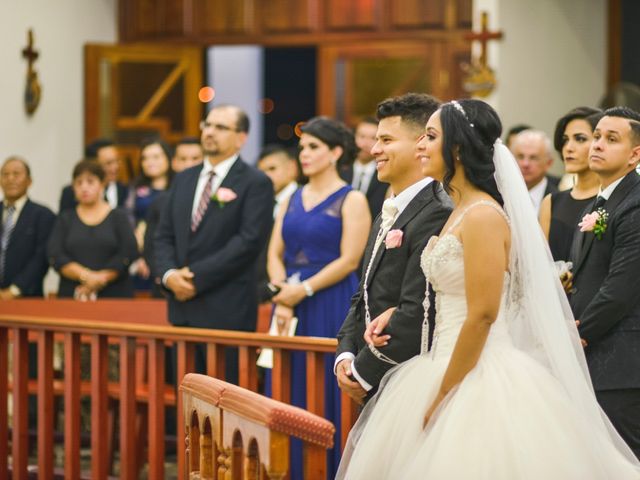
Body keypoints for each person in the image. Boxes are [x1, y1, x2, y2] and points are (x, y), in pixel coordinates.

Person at [337, 99, 640, 479]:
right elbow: (448, 290)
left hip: (475, 371)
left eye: (431, 137)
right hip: (438, 360)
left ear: (458, 149)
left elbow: (482, 315)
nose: (421, 146)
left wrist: (443, 394)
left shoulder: (482, 216)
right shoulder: (459, 211)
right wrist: (394, 313)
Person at [267, 116, 371, 478]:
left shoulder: (352, 198)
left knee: (324, 386)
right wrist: (282, 292)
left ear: (336, 152)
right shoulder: (292, 196)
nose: (304, 154)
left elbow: (350, 259)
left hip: (329, 299)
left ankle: (324, 469)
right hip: (287, 301)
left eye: (313, 147)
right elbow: (274, 251)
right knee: (283, 382)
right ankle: (285, 468)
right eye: (302, 148)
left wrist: (305, 289)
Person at [335, 93, 450, 405]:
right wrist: (345, 352)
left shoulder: (438, 210)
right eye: (375, 139)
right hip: (375, 373)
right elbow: (363, 293)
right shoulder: (390, 208)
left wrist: (363, 372)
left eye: (386, 140)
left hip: (407, 376)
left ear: (421, 144)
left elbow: (417, 309)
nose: (374, 150)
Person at [155, 104, 274, 380]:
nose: (210, 132)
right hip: (182, 307)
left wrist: (195, 278)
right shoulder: (184, 178)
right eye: (207, 125)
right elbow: (163, 235)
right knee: (187, 402)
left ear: (241, 137)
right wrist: (170, 275)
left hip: (227, 309)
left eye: (220, 127)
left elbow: (248, 241)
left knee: (224, 401)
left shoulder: (255, 182)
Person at [570, 106, 640, 460]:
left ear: (635, 154)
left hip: (622, 363)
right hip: (598, 359)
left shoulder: (636, 203)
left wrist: (577, 333)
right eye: (596, 136)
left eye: (611, 139)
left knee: (626, 461)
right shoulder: (599, 203)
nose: (596, 144)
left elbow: (622, 287)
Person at [48, 160, 138, 299]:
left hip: (115, 296)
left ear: (102, 184)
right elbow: (55, 254)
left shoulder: (118, 217)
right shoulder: (65, 218)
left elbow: (128, 252)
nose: (84, 187)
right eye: (79, 182)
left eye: (90, 182)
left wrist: (100, 278)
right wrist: (86, 276)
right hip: (72, 294)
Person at [539, 107, 602, 262]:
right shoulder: (551, 202)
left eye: (580, 139)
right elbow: (541, 262)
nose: (568, 148)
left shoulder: (613, 199)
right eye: (565, 140)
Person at [144, 137, 203, 295]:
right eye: (183, 159)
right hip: (166, 285)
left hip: (206, 283)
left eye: (195, 158)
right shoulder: (161, 201)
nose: (188, 164)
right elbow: (152, 243)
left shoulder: (213, 199)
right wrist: (164, 274)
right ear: (174, 162)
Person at [0, 156, 55, 298]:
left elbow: (42, 258)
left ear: (29, 181)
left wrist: (14, 290)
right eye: (5, 174)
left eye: (16, 174)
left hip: (27, 297)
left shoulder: (43, 215)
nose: (10, 179)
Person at [128, 138, 173, 290]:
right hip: (140, 256)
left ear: (168, 158)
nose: (149, 162)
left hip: (170, 255)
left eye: (156, 156)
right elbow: (128, 221)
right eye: (144, 158)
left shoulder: (179, 187)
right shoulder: (135, 188)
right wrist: (138, 257)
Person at [256, 144, 299, 303]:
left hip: (295, 290)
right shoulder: (259, 203)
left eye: (272, 169)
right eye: (262, 171)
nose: (266, 176)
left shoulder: (304, 201)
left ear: (291, 168)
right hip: (259, 293)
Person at [339, 117, 389, 219]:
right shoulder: (339, 171)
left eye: (373, 138)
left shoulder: (386, 175)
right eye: (362, 136)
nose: (366, 143)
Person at [59, 139, 128, 211]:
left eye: (117, 161)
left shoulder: (125, 191)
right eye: (109, 163)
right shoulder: (71, 193)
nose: (115, 167)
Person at [511, 129, 560, 213]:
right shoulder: (498, 195)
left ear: (548, 163)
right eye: (520, 156)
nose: (525, 164)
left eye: (533, 158)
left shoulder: (559, 201)